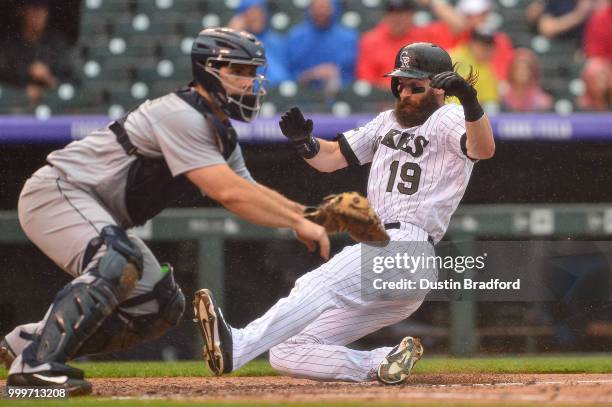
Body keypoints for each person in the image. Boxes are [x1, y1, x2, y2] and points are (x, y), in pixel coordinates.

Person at [0, 27, 329, 396]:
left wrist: (310, 215)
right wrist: (299, 220)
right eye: (238, 72)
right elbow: (227, 192)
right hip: (58, 192)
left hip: (94, 210)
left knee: (159, 305)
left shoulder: (219, 130)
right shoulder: (181, 114)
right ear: (208, 69)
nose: (248, 83)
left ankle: (29, 343)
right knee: (116, 260)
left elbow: (250, 192)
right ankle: (35, 370)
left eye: (252, 73)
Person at [194, 42, 495, 384]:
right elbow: (332, 157)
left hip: (405, 244)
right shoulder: (387, 121)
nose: (405, 92)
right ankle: (380, 362)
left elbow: (483, 149)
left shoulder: (449, 117)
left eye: (416, 86)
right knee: (287, 350)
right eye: (400, 83)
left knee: (318, 283)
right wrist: (305, 143)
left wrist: (469, 100)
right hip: (399, 262)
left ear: (440, 88)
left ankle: (238, 345)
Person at [417, 0, 514, 81]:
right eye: (471, 16)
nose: (478, 19)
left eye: (482, 14)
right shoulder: (461, 36)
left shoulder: (500, 40)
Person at [0, 0, 74, 103]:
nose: (38, 15)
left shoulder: (57, 42)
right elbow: (3, 79)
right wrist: (21, 92)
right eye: (34, 10)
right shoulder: (9, 45)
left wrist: (49, 79)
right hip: (15, 108)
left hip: (56, 107)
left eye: (42, 11)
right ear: (23, 12)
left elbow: (73, 82)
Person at [357, 0, 438, 88]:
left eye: (403, 14)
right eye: (392, 14)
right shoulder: (370, 40)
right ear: (384, 16)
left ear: (411, 15)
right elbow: (366, 79)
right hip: (383, 97)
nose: (398, 19)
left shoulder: (425, 37)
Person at [285, 0, 358, 97]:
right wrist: (311, 74)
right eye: (317, 7)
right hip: (302, 94)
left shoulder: (349, 38)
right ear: (310, 9)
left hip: (342, 94)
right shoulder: (295, 37)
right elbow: (287, 74)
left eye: (325, 7)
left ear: (333, 9)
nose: (321, 12)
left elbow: (354, 73)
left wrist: (334, 74)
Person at [228, 0, 290, 86]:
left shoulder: (276, 40)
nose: (257, 17)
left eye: (260, 12)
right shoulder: (239, 43)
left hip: (281, 91)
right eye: (252, 12)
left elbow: (289, 73)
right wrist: (233, 34)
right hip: (252, 91)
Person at [451, 28, 501, 110]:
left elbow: (490, 99)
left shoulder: (487, 67)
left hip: (473, 113)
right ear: (472, 43)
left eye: (489, 47)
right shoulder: (454, 58)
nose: (486, 50)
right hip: (451, 111)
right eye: (482, 46)